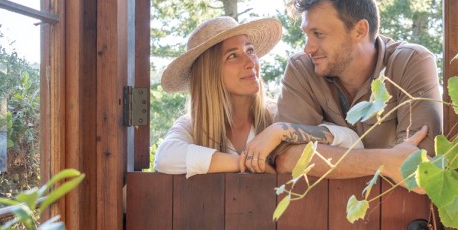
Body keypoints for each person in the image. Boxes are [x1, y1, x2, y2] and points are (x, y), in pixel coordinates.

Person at [249, 0, 443, 186]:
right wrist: (386, 161)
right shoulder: (302, 67)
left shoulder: (411, 62)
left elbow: (419, 172)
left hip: (400, 215)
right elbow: (286, 160)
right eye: (307, 35)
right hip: (322, 213)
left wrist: (320, 156)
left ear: (360, 30)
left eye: (319, 34)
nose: (308, 48)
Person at [154, 15, 361, 176]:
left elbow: (351, 141)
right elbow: (165, 158)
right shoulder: (192, 125)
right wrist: (244, 163)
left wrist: (281, 131)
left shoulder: (276, 115)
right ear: (209, 73)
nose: (251, 62)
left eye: (250, 50)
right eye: (233, 55)